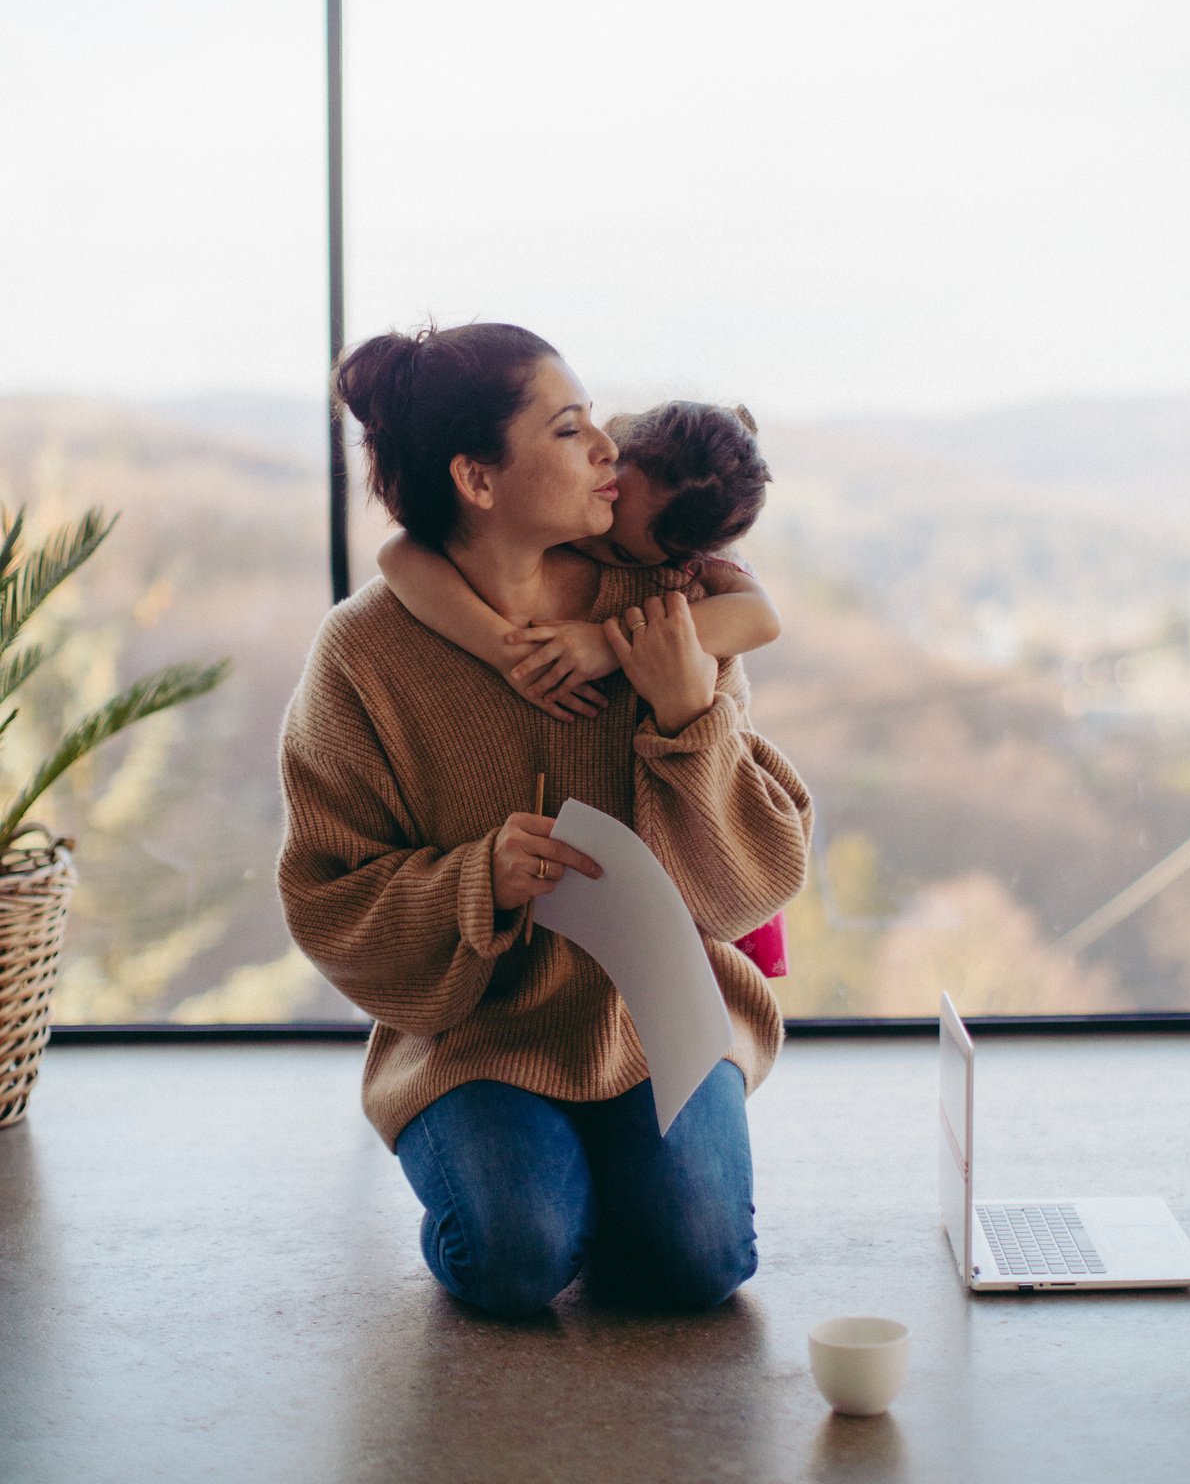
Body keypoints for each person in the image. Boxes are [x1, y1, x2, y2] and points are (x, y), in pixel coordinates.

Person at [276, 322, 812, 1319]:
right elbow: (326, 890)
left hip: (656, 1025)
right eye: (570, 430)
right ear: (479, 480)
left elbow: (752, 883)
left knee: (703, 1261)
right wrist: (478, 878)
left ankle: (610, 1185)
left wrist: (689, 714)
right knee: (514, 1259)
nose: (609, 447)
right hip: (474, 1037)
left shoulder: (668, 611)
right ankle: (549, 1182)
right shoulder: (363, 654)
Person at [376, 397, 792, 977]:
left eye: (621, 553)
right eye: (609, 500)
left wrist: (606, 642)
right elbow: (398, 555)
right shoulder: (581, 464)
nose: (592, 535)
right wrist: (504, 650)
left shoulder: (692, 558)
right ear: (612, 442)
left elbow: (761, 618)